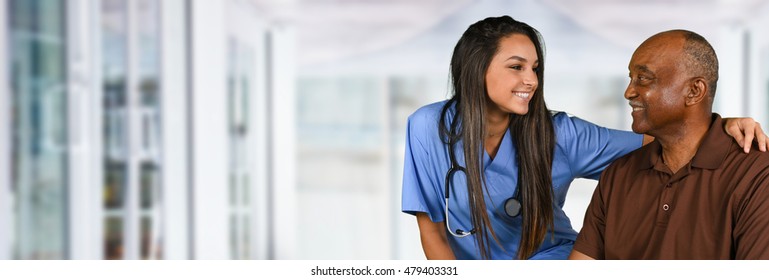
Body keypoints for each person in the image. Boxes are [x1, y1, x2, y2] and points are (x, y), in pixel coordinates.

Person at [401, 16, 768, 260]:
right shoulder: (427, 127)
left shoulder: (560, 133)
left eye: (535, 68)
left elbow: (672, 140)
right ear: (476, 68)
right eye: (516, 67)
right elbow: (430, 227)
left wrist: (720, 123)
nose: (531, 80)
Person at [569, 30, 769, 260]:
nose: (629, 92)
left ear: (694, 91)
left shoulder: (758, 175)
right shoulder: (618, 174)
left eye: (643, 78)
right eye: (631, 78)